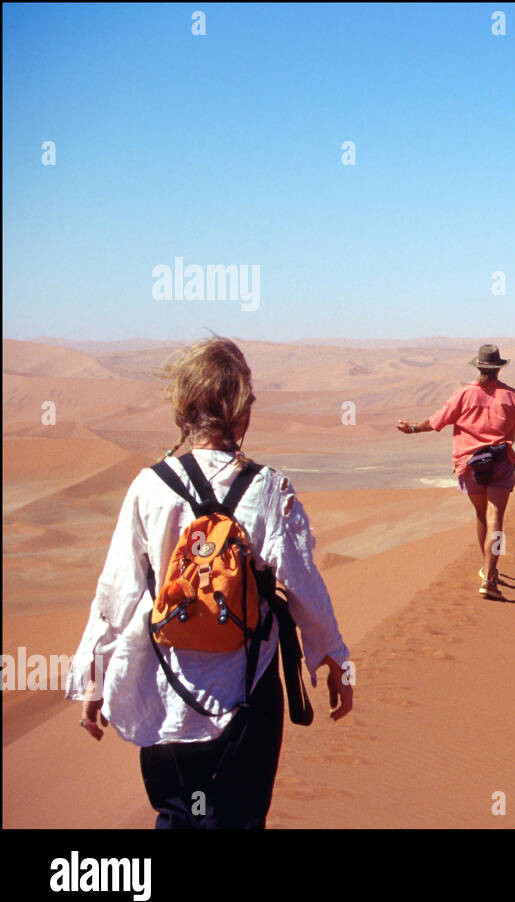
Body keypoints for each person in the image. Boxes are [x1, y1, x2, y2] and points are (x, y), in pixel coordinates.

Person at [66, 336, 354, 829]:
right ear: (241, 413)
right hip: (248, 690)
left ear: (184, 410)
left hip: (162, 690)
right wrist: (333, 658)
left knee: (177, 817)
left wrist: (93, 677)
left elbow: (117, 593)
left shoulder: (149, 486)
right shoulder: (268, 488)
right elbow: (304, 586)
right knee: (240, 820)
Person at [396, 344, 515, 600]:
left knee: (480, 514)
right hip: (500, 463)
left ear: (478, 366)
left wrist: (413, 429)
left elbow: (435, 421)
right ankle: (489, 574)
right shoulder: (512, 396)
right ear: (498, 369)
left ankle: (488, 568)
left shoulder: (462, 394)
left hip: (469, 465)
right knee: (496, 519)